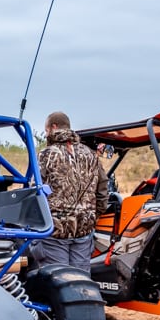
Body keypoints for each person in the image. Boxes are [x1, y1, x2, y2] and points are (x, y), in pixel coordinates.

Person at [33, 111, 108, 270]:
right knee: (81, 282)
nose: (46, 134)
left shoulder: (46, 155)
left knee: (58, 281)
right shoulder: (91, 155)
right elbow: (102, 191)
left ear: (53, 127)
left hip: (55, 232)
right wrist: (92, 217)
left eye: (46, 131)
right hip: (83, 230)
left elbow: (34, 193)